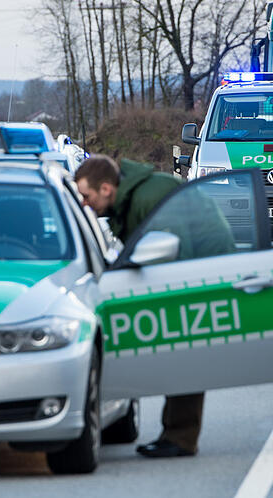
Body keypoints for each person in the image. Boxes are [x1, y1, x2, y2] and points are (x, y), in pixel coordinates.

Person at [74, 155, 205, 458]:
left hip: (195, 272)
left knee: (184, 357)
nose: (83, 203)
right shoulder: (131, 197)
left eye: (86, 195)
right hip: (187, 269)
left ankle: (182, 438)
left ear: (106, 189)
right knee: (178, 356)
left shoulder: (148, 198)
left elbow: (170, 249)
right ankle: (173, 434)